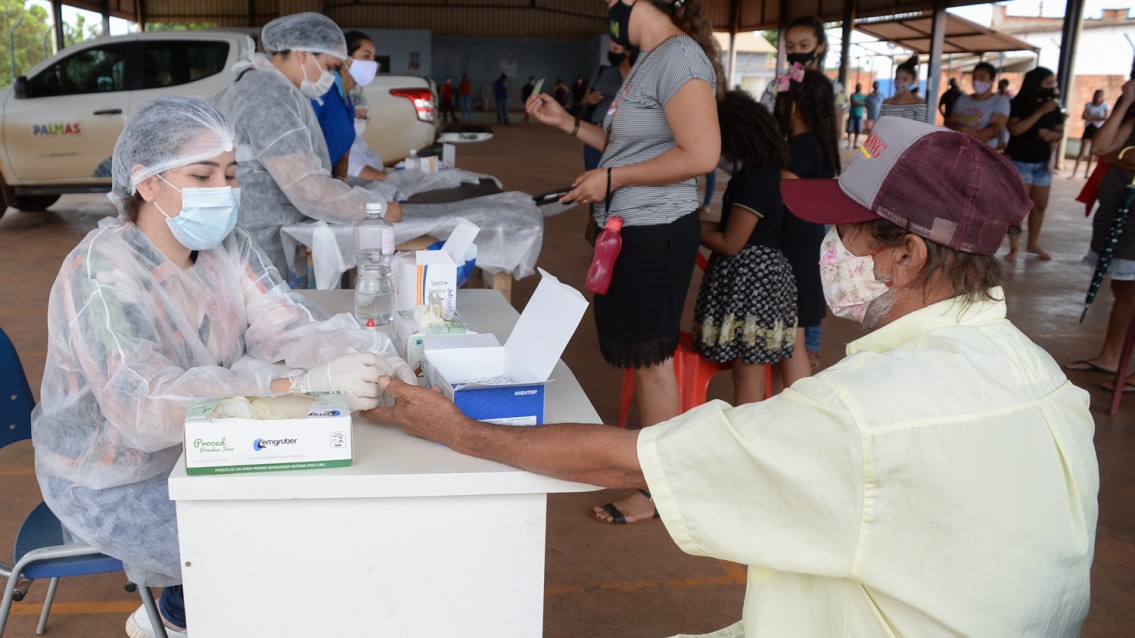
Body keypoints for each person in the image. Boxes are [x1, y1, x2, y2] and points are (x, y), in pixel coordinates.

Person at [366, 115, 1098, 638]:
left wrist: (458, 429)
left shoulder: (861, 411)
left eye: (844, 231)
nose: (827, 245)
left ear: (905, 256)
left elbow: (634, 459)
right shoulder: (1037, 374)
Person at [31, 96, 416, 638]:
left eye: (231, 173)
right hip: (115, 476)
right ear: (146, 183)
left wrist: (372, 356)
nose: (224, 191)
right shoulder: (99, 274)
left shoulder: (225, 245)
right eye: (202, 174)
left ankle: (179, 609)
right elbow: (143, 409)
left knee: (311, 511)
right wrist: (298, 385)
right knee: (265, 544)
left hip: (206, 438)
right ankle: (178, 615)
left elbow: (286, 323)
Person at [525, 0, 722, 525]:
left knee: (652, 362)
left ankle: (659, 490)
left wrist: (611, 181)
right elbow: (628, 147)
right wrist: (569, 124)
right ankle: (656, 474)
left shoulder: (679, 57)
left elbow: (701, 153)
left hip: (658, 229)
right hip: (630, 227)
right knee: (642, 356)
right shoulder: (650, 61)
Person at [215, 12, 403, 283]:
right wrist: (377, 210)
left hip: (260, 234)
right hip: (258, 239)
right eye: (328, 67)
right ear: (303, 55)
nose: (329, 77)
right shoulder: (270, 95)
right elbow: (307, 186)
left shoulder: (274, 88)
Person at [694, 91, 796, 404]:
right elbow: (728, 229)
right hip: (756, 279)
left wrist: (686, 228)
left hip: (753, 283)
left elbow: (731, 241)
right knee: (747, 369)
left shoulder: (754, 180)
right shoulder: (757, 174)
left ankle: (745, 440)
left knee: (747, 372)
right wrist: (691, 222)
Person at [773, 68, 839, 391]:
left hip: (796, 249)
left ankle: (799, 405)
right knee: (792, 336)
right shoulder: (819, 144)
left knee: (792, 337)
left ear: (794, 107)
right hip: (809, 244)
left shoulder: (799, 148)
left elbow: (780, 192)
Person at [1066, 78, 1135, 389]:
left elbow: (1115, 155)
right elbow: (1101, 147)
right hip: (1120, 218)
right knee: (1124, 290)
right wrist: (1125, 101)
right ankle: (1111, 357)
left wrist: (1118, 158)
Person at [1005, 66, 1064, 261]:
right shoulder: (1019, 103)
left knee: (1040, 206)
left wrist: (1053, 135)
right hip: (1021, 161)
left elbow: (1060, 131)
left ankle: (1033, 243)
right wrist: (1039, 112)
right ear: (1035, 84)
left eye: (1052, 83)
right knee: (1018, 207)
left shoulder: (1053, 106)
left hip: (1043, 163)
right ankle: (1014, 248)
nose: (1051, 86)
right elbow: (1015, 129)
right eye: (1047, 83)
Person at [341, 30, 389, 182]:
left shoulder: (347, 98)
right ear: (345, 59)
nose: (372, 63)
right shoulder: (331, 96)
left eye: (374, 58)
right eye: (366, 56)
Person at [579, 43, 635, 171]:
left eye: (615, 49)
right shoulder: (602, 71)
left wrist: (625, 69)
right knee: (592, 171)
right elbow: (584, 100)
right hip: (594, 129)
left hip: (618, 134)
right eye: (610, 49)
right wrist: (589, 98)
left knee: (614, 176)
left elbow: (633, 96)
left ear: (628, 52)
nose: (612, 53)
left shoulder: (635, 72)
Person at [946, 62, 1010, 150]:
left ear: (992, 80)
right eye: (974, 78)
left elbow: (994, 130)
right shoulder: (962, 99)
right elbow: (949, 122)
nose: (977, 81)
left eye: (982, 77)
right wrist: (961, 128)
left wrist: (964, 133)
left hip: (984, 153)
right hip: (959, 150)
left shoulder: (1000, 101)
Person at [1072, 89, 1109, 179]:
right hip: (1089, 128)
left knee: (1092, 153)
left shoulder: (1105, 106)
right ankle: (1074, 173)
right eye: (1096, 96)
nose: (1097, 98)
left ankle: (1087, 173)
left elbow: (1105, 118)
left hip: (1097, 129)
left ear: (1102, 97)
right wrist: (1097, 118)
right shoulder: (1089, 105)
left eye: (1099, 96)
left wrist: (1091, 117)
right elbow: (1084, 116)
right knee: (1082, 152)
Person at [880, 56, 927, 122]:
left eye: (905, 79)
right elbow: (880, 127)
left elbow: (921, 130)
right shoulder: (887, 103)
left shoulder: (919, 103)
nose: (899, 82)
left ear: (913, 81)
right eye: (897, 78)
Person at [847, 82, 866, 148]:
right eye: (857, 86)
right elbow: (854, 102)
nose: (858, 87)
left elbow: (865, 103)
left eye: (860, 86)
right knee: (849, 129)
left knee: (857, 130)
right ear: (855, 87)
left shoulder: (864, 96)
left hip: (860, 115)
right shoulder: (852, 95)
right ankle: (849, 144)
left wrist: (859, 103)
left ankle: (855, 144)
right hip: (852, 114)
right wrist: (862, 103)